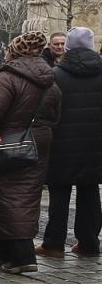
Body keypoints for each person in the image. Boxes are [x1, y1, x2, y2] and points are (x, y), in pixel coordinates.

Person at [0, 31, 62, 274]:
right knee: (24, 195)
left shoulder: (5, 79)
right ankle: (3, 251)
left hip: (6, 144)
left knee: (8, 198)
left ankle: (22, 255)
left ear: (13, 52)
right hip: (38, 144)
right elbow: (55, 116)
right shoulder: (50, 79)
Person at [40, 26, 101, 258]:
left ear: (67, 46)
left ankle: (54, 243)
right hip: (95, 143)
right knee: (90, 191)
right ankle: (89, 242)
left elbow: (46, 110)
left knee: (59, 192)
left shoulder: (56, 74)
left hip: (62, 142)